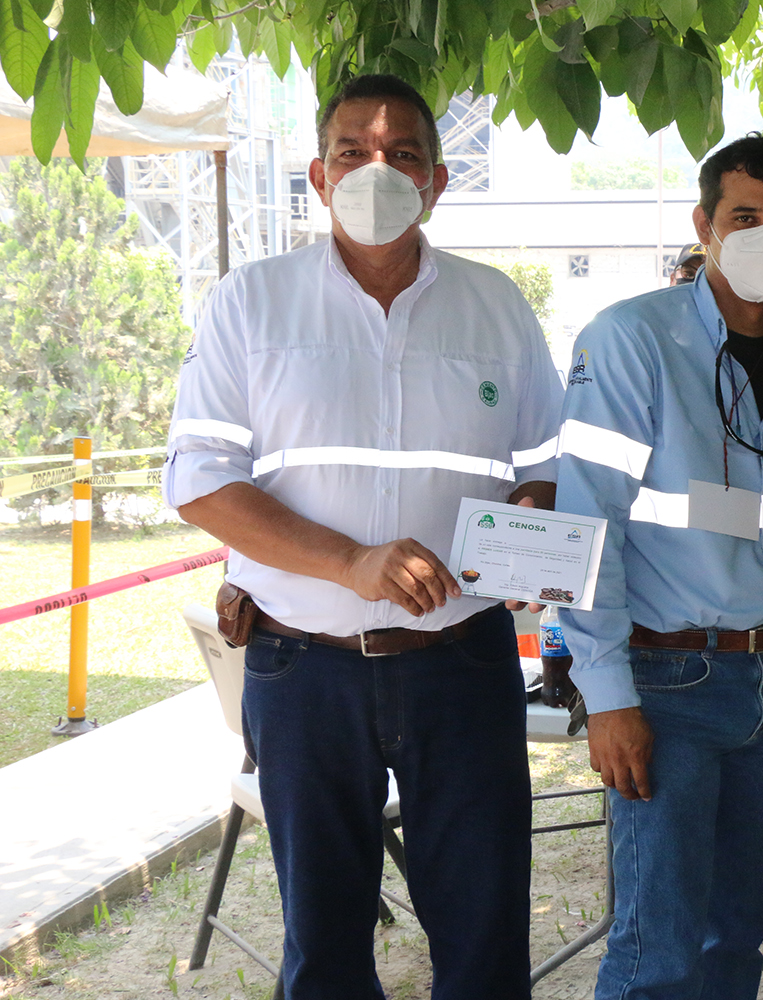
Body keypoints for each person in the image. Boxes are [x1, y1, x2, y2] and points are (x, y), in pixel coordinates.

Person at [164, 74, 563, 998]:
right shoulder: (250, 305)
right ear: (317, 173)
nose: (376, 169)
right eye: (354, 151)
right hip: (304, 672)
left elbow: (543, 463)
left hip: (462, 666)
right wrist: (352, 562)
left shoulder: (497, 306)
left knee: (484, 935)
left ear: (438, 181)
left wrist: (536, 525)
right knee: (327, 947)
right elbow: (199, 484)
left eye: (403, 155)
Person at [554, 133, 763, 1000]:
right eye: (744, 217)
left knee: (737, 939)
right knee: (659, 950)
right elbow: (588, 525)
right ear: (705, 225)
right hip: (667, 679)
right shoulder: (630, 341)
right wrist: (608, 694)